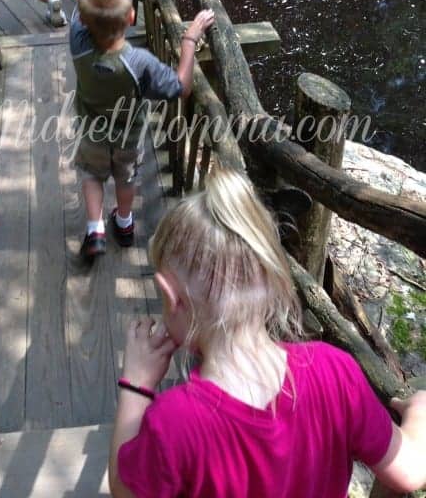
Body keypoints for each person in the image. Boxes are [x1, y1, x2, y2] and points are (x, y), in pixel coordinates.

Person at [109, 166, 426, 498]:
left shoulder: (173, 423)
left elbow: (124, 490)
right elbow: (411, 471)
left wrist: (137, 384)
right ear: (271, 277)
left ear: (170, 297)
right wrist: (418, 412)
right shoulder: (336, 370)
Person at [70, 0, 214, 260]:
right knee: (126, 177)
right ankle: (123, 222)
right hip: (128, 138)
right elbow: (181, 87)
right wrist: (189, 41)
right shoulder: (140, 61)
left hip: (92, 134)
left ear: (84, 18)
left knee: (92, 175)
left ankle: (95, 231)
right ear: (132, 17)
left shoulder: (78, 41)